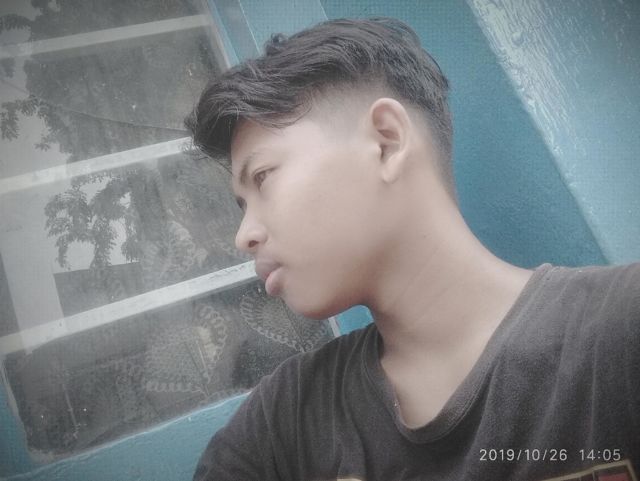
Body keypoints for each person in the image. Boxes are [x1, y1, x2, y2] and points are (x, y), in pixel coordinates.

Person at [185, 17, 640, 481]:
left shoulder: (622, 332)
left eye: (262, 177)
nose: (244, 235)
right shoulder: (284, 423)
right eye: (243, 204)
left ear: (386, 142)